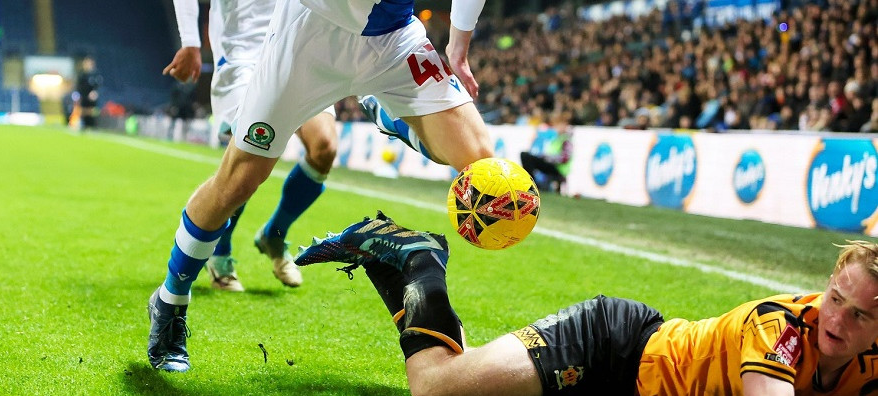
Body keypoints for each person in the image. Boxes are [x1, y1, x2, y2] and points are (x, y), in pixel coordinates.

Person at [147, 0, 589, 373]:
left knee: (483, 168)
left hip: (392, 37)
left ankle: (393, 125)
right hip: (309, 31)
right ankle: (170, 301)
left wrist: (458, 49)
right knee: (238, 181)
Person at [296, 211, 878, 396]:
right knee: (438, 389)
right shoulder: (780, 328)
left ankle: (397, 266)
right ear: (826, 282)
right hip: (615, 348)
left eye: (860, 315)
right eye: (835, 299)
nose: (837, 319)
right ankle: (420, 260)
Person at [163, 0, 338, 293]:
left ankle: (274, 237)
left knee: (324, 149)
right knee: (249, 162)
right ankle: (221, 253)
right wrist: (191, 43)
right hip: (242, 60)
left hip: (297, 53)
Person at [71, 55, 102, 131]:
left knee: (92, 111)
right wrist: (79, 96)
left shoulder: (96, 74)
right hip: (83, 96)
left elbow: (98, 86)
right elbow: (78, 86)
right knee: (83, 111)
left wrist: (95, 92)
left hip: (92, 97)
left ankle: (93, 125)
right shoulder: (82, 75)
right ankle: (84, 125)